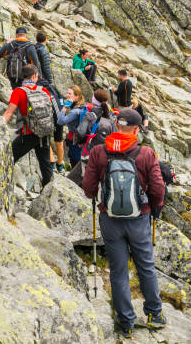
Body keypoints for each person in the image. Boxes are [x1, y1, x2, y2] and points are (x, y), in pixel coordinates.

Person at [82, 108, 166, 337]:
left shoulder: (99, 151)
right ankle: (154, 314)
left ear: (117, 125)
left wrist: (96, 197)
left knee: (118, 271)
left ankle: (126, 321)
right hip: (139, 218)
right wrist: (154, 207)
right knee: (146, 265)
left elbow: (88, 188)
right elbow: (158, 188)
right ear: (137, 129)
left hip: (110, 219)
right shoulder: (146, 153)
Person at [3, 64, 53, 188]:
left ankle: (2, 183)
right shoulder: (43, 90)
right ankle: (48, 192)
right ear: (34, 75)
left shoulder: (18, 92)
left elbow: (9, 113)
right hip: (45, 132)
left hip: (28, 133)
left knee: (9, 156)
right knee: (45, 165)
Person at [57, 85, 85, 168]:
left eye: (70, 93)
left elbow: (60, 121)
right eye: (67, 93)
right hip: (79, 140)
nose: (67, 95)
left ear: (77, 97)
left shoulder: (75, 111)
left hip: (75, 142)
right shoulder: (81, 107)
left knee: (75, 164)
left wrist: (65, 107)